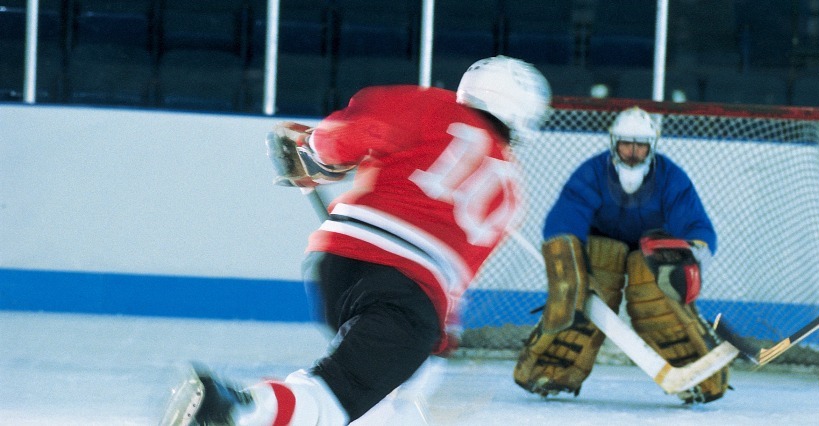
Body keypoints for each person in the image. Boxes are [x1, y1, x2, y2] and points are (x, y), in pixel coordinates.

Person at [161, 55, 552, 425]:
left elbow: (354, 130)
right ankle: (231, 407)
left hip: (339, 262)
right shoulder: (512, 191)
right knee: (334, 399)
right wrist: (440, 333)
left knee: (382, 404)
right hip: (412, 295)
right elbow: (459, 272)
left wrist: (312, 152)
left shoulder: (433, 105)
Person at [511, 106, 729, 404]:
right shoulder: (592, 172)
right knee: (583, 298)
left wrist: (693, 253)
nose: (632, 152)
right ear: (614, 142)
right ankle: (552, 372)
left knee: (658, 302)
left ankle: (700, 379)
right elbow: (566, 218)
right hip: (601, 250)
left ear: (651, 147)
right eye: (627, 143)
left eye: (641, 145)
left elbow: (696, 225)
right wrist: (567, 257)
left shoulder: (671, 177)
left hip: (651, 253)